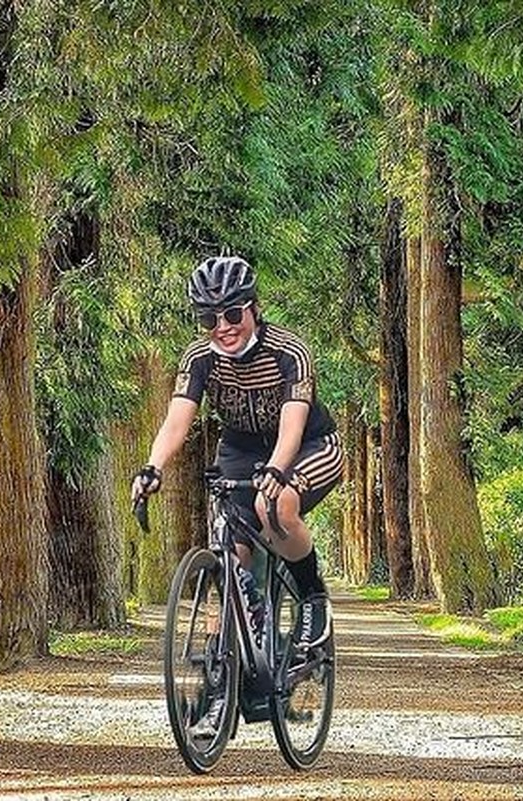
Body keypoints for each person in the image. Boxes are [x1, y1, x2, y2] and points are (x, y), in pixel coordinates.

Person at [131, 256, 341, 735]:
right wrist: (152, 467)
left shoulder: (289, 351)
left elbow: (292, 422)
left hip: (308, 443)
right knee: (229, 558)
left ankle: (313, 599)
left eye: (231, 314)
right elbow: (178, 419)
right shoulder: (199, 359)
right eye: (208, 318)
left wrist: (277, 469)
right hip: (242, 449)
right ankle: (217, 693)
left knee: (276, 506)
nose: (221, 327)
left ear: (253, 309)